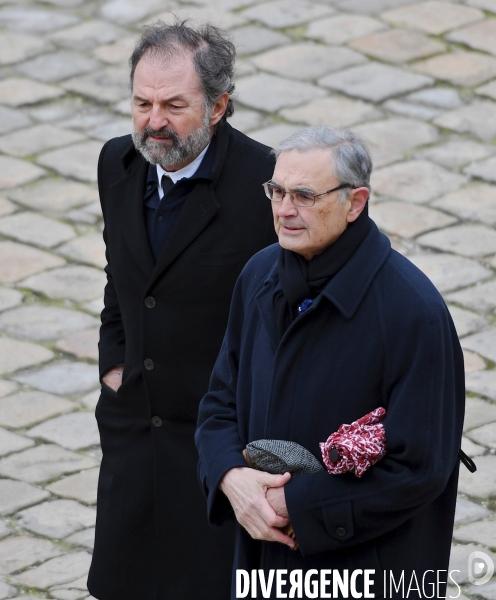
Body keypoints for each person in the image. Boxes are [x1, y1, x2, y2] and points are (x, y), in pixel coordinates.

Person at [196, 126, 465, 599]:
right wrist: (230, 478)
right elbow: (220, 400)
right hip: (263, 568)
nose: (283, 209)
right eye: (276, 191)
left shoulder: (413, 313)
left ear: (355, 202)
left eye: (303, 195)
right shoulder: (258, 274)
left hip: (367, 571)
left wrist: (295, 506)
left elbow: (420, 469)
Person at [88, 21, 277, 600]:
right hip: (134, 435)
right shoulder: (117, 164)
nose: (154, 121)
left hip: (219, 446)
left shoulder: (267, 186)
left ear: (219, 106)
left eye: (174, 104)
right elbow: (119, 277)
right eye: (142, 103)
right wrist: (114, 363)